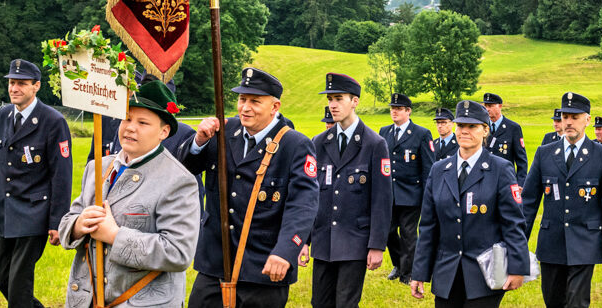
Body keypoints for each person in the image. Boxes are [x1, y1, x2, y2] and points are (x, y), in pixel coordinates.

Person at [181, 67, 319, 308]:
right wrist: (199, 141)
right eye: (242, 99)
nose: (245, 107)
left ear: (275, 107)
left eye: (255, 101)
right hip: (215, 264)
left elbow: (303, 205)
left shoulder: (295, 145)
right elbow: (185, 169)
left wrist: (286, 251)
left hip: (263, 267)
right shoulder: (224, 131)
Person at [58, 78, 200, 308]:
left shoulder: (179, 181)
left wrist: (114, 235)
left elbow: (178, 252)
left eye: (143, 122)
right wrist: (79, 224)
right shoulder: (97, 167)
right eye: (127, 118)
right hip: (88, 299)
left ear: (164, 131)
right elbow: (69, 220)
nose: (131, 127)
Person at [409, 100, 530, 308]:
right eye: (460, 125)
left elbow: (513, 223)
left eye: (472, 126)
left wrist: (518, 267)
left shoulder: (500, 169)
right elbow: (428, 226)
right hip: (447, 273)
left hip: (484, 273)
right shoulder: (439, 170)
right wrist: (419, 272)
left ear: (485, 130)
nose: (464, 131)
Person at [0, 59, 72, 308]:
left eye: (21, 83)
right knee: (1, 277)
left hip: (34, 214)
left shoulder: (52, 121)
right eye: (11, 83)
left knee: (18, 285)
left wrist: (56, 222)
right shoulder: (4, 115)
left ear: (36, 86)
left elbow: (61, 175)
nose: (14, 88)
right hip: (6, 213)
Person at [520, 92, 602, 307]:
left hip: (585, 242)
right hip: (551, 243)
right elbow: (528, 202)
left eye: (575, 117)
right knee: (553, 300)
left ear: (587, 120)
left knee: (577, 302)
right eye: (565, 117)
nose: (568, 122)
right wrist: (517, 242)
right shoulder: (544, 153)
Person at [308, 73, 393, 308]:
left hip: (354, 240)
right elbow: (310, 196)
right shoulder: (319, 142)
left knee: (346, 303)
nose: (333, 105)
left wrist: (377, 245)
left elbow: (382, 200)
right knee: (319, 303)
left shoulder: (374, 144)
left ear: (354, 101)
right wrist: (304, 240)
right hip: (324, 241)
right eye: (330, 99)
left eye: (339, 98)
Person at [382, 94, 435, 283]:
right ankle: (398, 263)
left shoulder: (421, 133)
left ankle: (408, 273)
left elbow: (428, 167)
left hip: (412, 193)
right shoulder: (384, 132)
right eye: (392, 108)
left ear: (408, 111)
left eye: (398, 109)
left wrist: (428, 195)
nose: (394, 112)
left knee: (408, 234)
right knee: (388, 232)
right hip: (390, 193)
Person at [481, 93, 529, 179]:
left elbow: (521, 160)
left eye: (490, 106)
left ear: (500, 106)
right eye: (485, 106)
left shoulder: (513, 128)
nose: (487, 109)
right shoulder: (481, 127)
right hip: (484, 178)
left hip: (505, 178)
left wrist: (521, 182)